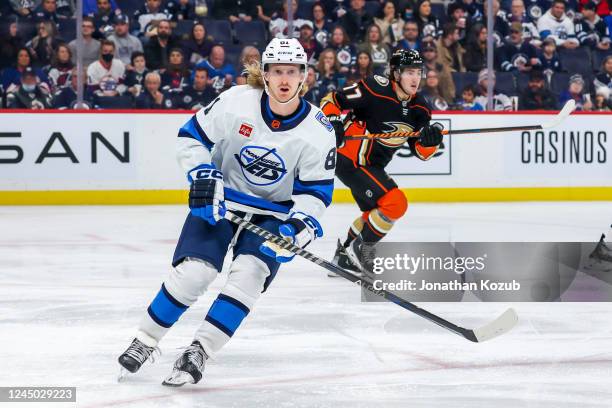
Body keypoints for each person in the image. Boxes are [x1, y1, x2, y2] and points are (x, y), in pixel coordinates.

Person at [117, 37, 336, 386]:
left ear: (304, 76)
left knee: (249, 275)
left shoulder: (319, 130)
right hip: (222, 200)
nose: (284, 79)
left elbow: (316, 194)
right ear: (264, 74)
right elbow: (192, 136)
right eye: (277, 71)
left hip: (273, 216)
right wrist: (203, 173)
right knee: (194, 274)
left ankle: (200, 350)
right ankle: (145, 340)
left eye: (291, 72)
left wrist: (297, 230)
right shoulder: (237, 101)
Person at [320, 49, 444, 273]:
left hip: (372, 166)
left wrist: (430, 141)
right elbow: (332, 100)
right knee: (396, 202)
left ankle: (343, 256)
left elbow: (421, 152)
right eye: (409, 72)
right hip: (350, 160)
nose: (415, 78)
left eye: (418, 72)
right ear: (396, 74)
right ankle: (361, 249)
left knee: (375, 213)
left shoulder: (421, 109)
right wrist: (332, 121)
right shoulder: (374, 88)